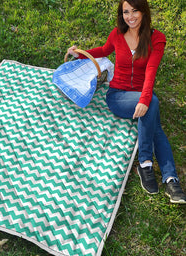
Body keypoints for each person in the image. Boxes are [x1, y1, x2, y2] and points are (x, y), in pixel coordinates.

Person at [67, 0, 186, 204]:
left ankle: (167, 176)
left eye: (135, 11)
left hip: (140, 93)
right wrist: (80, 55)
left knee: (153, 116)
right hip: (118, 96)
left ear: (144, 11)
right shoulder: (117, 34)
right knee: (153, 107)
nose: (130, 16)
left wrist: (145, 99)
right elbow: (104, 50)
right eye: (126, 12)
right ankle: (152, 167)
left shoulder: (157, 39)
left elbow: (151, 71)